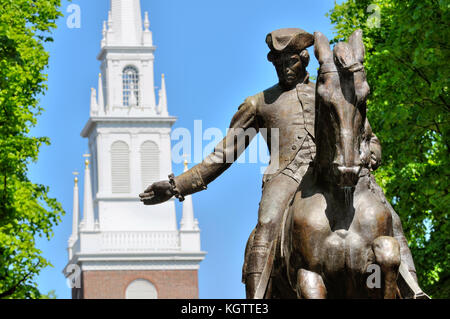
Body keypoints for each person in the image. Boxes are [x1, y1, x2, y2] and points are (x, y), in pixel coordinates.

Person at [139, 28, 417, 298]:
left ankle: (413, 289)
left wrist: (373, 152)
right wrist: (178, 186)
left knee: (387, 215)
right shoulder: (258, 103)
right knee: (267, 224)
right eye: (278, 61)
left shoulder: (329, 89)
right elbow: (223, 155)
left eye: (291, 60)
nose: (284, 67)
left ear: (305, 59)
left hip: (335, 170)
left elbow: (365, 133)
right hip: (286, 177)